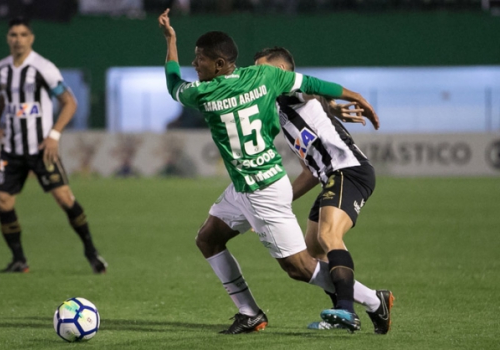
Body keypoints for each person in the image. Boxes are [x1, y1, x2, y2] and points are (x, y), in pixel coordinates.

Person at [158, 9, 381, 334]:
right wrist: (349, 95)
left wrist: (170, 41)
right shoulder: (264, 78)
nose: (196, 64)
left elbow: (173, 84)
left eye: (200, 60)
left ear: (219, 65)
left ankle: (373, 300)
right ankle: (250, 313)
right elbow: (312, 83)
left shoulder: (203, 94)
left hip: (262, 188)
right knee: (208, 238)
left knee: (300, 267)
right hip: (246, 186)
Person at [254, 47, 394, 334]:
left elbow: (310, 89)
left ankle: (346, 309)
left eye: (261, 70)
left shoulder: (292, 93)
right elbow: (310, 170)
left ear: (280, 71)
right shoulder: (282, 109)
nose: (257, 76)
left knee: (328, 235)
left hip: (349, 170)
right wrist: (281, 201)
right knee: (312, 256)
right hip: (330, 177)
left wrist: (346, 99)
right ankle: (373, 302)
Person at [0, 17, 107, 274]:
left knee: (64, 198)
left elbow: (69, 102)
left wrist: (54, 135)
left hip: (41, 149)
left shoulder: (43, 67)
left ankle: (91, 252)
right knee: (2, 201)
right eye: (13, 34)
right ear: (8, 38)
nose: (18, 39)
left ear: (31, 38)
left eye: (23, 34)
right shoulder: (1, 70)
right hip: (11, 149)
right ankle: (19, 260)